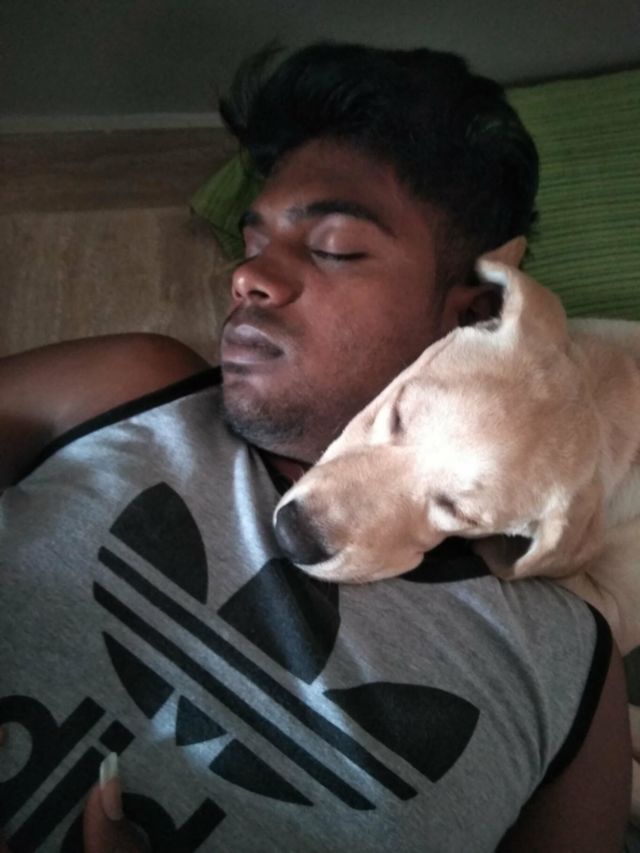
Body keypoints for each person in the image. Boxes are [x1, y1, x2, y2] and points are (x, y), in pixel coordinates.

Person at [0, 42, 631, 852]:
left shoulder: (567, 666)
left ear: (473, 318)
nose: (248, 277)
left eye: (332, 248)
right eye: (253, 241)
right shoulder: (125, 387)